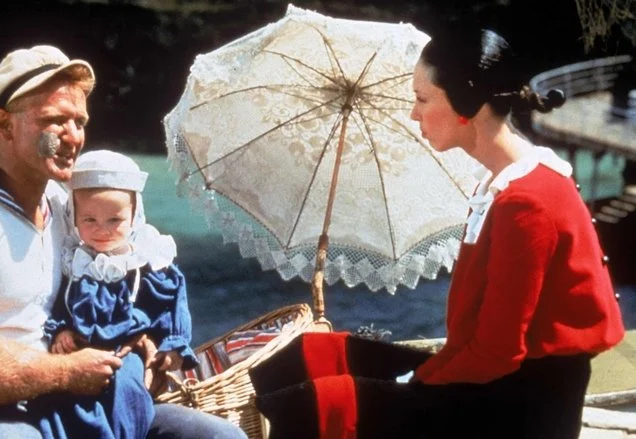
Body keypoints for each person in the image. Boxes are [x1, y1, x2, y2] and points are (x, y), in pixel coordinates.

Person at [248, 27, 625, 439]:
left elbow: (498, 352)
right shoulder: (501, 184)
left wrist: (416, 381)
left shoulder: (528, 201)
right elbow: (480, 340)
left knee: (311, 405)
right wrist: (419, 374)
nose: (414, 114)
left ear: (466, 103)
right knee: (312, 354)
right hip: (495, 380)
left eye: (422, 99)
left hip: (520, 407)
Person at [0, 44, 247, 439]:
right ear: (4, 125)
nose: (74, 137)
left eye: (79, 121)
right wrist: (64, 372)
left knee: (222, 437)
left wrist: (142, 340)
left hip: (71, 402)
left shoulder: (65, 205)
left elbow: (115, 283)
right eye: (55, 121)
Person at [34, 150, 199, 438]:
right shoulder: (75, 263)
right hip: (82, 349)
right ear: (74, 217)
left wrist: (174, 344)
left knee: (127, 389)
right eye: (90, 220)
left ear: (134, 216)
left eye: (114, 220)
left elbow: (174, 305)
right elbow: (61, 303)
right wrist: (61, 330)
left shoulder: (145, 262)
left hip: (127, 349)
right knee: (59, 401)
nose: (102, 230)